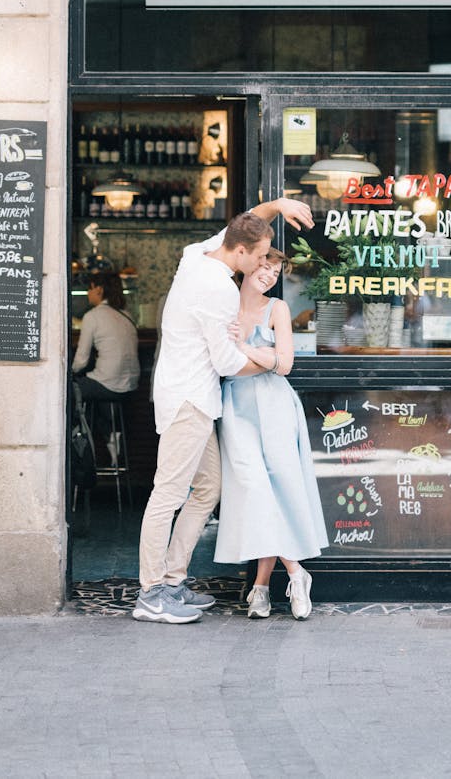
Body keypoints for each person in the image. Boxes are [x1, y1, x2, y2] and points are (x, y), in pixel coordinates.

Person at [133, 197, 313, 625]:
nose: (259, 268)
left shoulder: (197, 254)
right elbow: (229, 363)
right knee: (168, 494)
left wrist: (278, 205)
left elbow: (249, 223)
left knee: (207, 490)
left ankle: (173, 582)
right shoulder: (216, 288)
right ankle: (151, 593)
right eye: (256, 259)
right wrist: (273, 361)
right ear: (240, 253)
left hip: (196, 400)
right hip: (189, 400)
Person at [215, 249, 328, 619]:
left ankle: (260, 588)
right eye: (264, 267)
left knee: (277, 489)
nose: (268, 275)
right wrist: (261, 359)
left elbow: (285, 365)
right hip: (236, 409)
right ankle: (296, 573)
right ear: (248, 265)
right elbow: (222, 363)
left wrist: (245, 350)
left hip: (276, 406)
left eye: (275, 271)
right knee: (255, 489)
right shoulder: (223, 305)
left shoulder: (276, 308)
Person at [72, 271, 140, 461]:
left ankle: (82, 451)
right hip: (130, 386)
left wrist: (69, 373)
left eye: (90, 288)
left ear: (99, 290)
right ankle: (112, 434)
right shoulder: (127, 315)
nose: (87, 293)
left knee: (71, 390)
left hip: (108, 384)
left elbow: (81, 360)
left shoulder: (92, 316)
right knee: (99, 384)